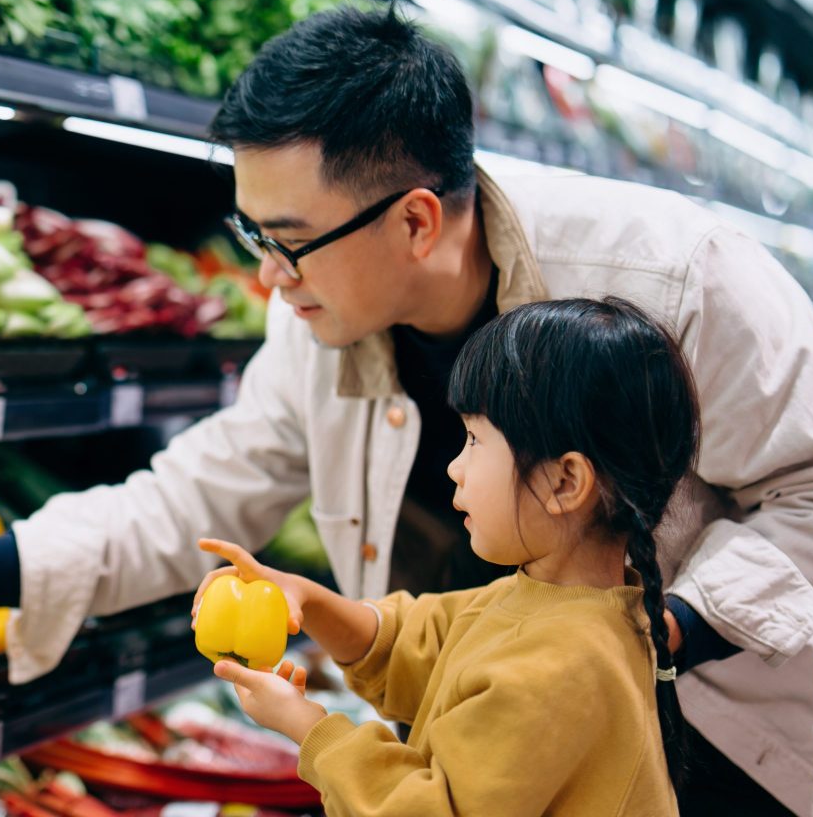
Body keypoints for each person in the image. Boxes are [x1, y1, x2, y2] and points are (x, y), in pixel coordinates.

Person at [0, 5, 813, 815]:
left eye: (289, 238)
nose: (268, 273)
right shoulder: (318, 316)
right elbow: (197, 494)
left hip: (712, 752)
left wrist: (662, 628)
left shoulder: (672, 272)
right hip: (463, 738)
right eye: (251, 232)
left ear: (415, 219)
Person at [198, 297, 693, 816]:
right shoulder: (560, 604)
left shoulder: (558, 667)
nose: (456, 468)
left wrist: (307, 727)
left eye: (476, 440)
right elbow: (420, 642)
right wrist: (306, 600)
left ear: (565, 481)